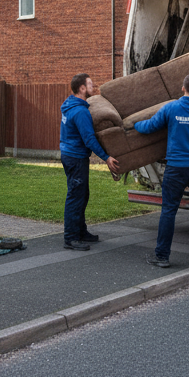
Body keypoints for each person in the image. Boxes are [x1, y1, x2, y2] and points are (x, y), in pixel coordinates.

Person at [134, 72, 189, 268]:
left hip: (176, 167)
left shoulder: (172, 108)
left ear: (183, 88)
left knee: (169, 211)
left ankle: (162, 257)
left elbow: (149, 127)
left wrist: (133, 125)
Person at [59, 73, 120, 251]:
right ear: (82, 88)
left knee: (82, 195)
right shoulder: (80, 111)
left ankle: (80, 232)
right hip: (76, 158)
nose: (93, 87)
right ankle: (70, 238)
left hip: (71, 156)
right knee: (75, 197)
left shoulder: (70, 106)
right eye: (90, 84)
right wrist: (107, 158)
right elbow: (89, 140)